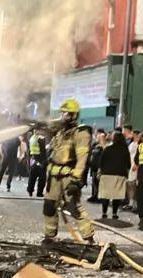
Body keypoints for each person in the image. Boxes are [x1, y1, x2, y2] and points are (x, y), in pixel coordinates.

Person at [43, 98, 95, 243]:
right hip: (53, 176)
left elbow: (82, 158)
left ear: (74, 115)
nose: (63, 116)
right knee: (49, 206)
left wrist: (76, 179)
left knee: (74, 207)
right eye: (62, 113)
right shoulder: (60, 132)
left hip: (68, 176)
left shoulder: (81, 133)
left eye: (66, 114)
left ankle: (89, 239)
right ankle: (49, 236)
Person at [99, 130, 130, 219]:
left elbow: (101, 162)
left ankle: (104, 212)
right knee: (117, 195)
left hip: (106, 174)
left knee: (105, 195)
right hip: (119, 174)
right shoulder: (125, 150)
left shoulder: (107, 149)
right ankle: (114, 213)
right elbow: (128, 164)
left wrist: (100, 171)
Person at [86, 128, 107, 203]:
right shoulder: (95, 145)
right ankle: (94, 195)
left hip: (99, 166)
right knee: (94, 181)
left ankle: (99, 196)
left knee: (98, 182)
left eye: (97, 134)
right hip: (93, 166)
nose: (96, 136)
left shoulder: (104, 145)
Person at [121, 125, 138, 211]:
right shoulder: (131, 143)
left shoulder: (139, 145)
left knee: (133, 184)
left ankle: (134, 203)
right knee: (129, 184)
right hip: (129, 165)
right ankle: (130, 202)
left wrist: (136, 164)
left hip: (135, 166)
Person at [26, 128, 47, 197]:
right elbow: (43, 151)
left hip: (33, 159)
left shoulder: (32, 138)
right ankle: (39, 193)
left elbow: (29, 150)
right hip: (40, 159)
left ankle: (30, 190)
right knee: (42, 177)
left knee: (32, 176)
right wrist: (44, 161)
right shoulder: (41, 138)